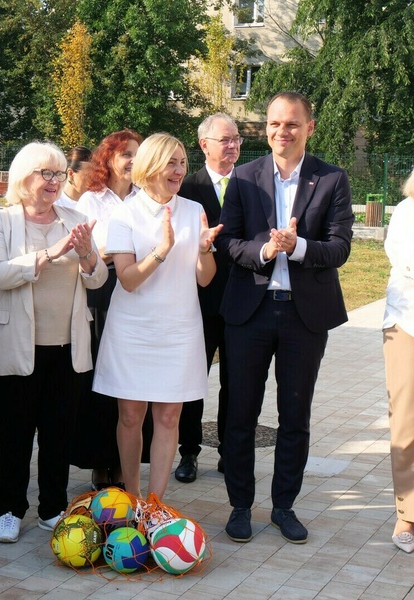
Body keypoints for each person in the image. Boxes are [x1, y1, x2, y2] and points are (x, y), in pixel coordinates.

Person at [216, 91, 353, 545]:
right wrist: (265, 251)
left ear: (309, 127)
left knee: (295, 415)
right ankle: (240, 506)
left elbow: (340, 247)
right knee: (240, 414)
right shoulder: (244, 177)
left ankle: (283, 507)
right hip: (249, 313)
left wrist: (299, 248)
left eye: (292, 123)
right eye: (274, 123)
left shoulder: (331, 179)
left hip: (303, 315)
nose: (282, 131)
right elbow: (228, 243)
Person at [0, 141, 107, 543]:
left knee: (59, 433)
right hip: (17, 344)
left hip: (67, 346)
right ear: (24, 177)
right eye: (45, 173)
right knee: (15, 434)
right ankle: (10, 510)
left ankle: (52, 508)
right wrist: (51, 253)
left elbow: (98, 279)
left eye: (58, 173)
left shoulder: (76, 218)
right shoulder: (0, 221)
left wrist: (87, 256)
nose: (54, 181)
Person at [93, 133, 222, 498]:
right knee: (131, 416)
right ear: (150, 167)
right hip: (132, 331)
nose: (179, 171)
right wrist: (162, 250)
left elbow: (205, 278)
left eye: (182, 163)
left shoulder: (193, 211)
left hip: (179, 330)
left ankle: (154, 505)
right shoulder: (125, 213)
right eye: (171, 163)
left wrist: (204, 251)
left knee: (168, 417)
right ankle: (133, 496)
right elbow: (128, 280)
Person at [73, 129, 144, 490]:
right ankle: (99, 461)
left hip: (137, 290)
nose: (132, 160)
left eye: (137, 154)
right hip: (101, 290)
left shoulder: (145, 198)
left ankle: (123, 463)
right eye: (125, 154)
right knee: (101, 380)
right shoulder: (91, 200)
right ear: (109, 159)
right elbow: (83, 251)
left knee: (130, 381)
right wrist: (114, 250)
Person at [175, 113, 241, 483]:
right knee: (192, 380)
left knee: (237, 381)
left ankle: (230, 452)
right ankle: (188, 451)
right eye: (224, 140)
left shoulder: (251, 184)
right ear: (204, 145)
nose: (232, 146)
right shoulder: (186, 188)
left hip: (242, 302)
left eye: (236, 139)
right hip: (197, 300)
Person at [382, 169, 414, 553]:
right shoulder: (407, 211)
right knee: (406, 421)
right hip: (407, 324)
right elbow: (407, 261)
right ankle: (408, 512)